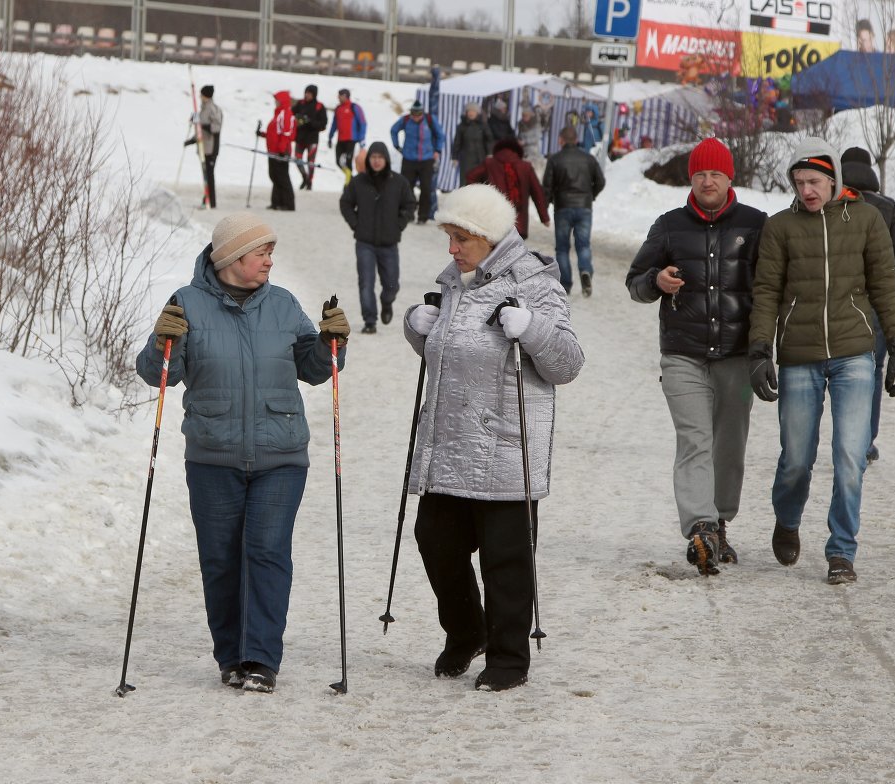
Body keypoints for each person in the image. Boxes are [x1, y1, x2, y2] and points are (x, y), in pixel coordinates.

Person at [136, 214, 352, 693]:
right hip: (213, 456)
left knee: (266, 551)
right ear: (232, 256)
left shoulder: (283, 304)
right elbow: (161, 374)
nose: (269, 261)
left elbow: (317, 370)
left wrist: (331, 343)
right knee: (220, 558)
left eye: (271, 253)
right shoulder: (186, 303)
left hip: (282, 456)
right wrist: (162, 342)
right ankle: (231, 656)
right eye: (262, 252)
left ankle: (260, 659)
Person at [403, 183, 584, 692]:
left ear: (488, 237)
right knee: (435, 539)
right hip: (449, 442)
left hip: (506, 448)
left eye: (461, 238)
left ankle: (508, 657)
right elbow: (449, 351)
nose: (452, 248)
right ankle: (467, 632)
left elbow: (567, 363)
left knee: (506, 559)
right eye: (449, 237)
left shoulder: (535, 283)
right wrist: (417, 329)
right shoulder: (454, 281)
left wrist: (532, 329)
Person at [748, 138, 895, 586]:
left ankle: (842, 550)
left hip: (854, 352)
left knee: (850, 455)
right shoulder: (781, 227)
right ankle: (787, 518)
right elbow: (765, 292)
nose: (807, 191)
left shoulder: (866, 220)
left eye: (815, 181)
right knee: (797, 458)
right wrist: (761, 348)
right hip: (799, 355)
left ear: (834, 179)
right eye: (799, 182)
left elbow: (885, 284)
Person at [625, 137, 767, 575]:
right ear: (691, 178)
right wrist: (656, 281)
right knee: (694, 440)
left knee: (729, 444)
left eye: (716, 174)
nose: (708, 181)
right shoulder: (668, 225)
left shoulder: (756, 224)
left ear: (730, 178)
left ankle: (720, 519)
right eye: (701, 174)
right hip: (683, 354)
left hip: (736, 356)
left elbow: (771, 289)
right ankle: (700, 525)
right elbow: (635, 281)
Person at [840, 146, 895, 464]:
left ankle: (843, 437)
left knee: (837, 371)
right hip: (878, 305)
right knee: (871, 371)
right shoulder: (889, 207)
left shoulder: (831, 203)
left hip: (838, 302)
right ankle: (863, 442)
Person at [339, 141, 416, 334]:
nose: (376, 161)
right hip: (364, 243)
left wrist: (399, 224)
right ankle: (370, 320)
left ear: (386, 160)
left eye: (380, 157)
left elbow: (410, 204)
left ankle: (386, 302)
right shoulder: (358, 182)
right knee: (366, 282)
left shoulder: (399, 182)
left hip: (389, 244)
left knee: (392, 285)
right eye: (373, 157)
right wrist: (355, 224)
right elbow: (345, 203)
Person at [543, 125, 605, 297]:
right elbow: (600, 181)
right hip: (584, 207)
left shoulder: (555, 160)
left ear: (561, 140)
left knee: (562, 248)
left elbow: (546, 186)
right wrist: (590, 196)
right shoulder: (589, 159)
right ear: (576, 139)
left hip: (562, 207)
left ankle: (566, 284)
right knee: (583, 245)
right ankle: (585, 270)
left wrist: (546, 205)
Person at [465, 138, 549, 240]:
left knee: (495, 253)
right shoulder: (525, 166)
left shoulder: (489, 163)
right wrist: (544, 217)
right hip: (519, 224)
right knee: (515, 253)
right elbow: (537, 193)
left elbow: (470, 176)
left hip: (494, 222)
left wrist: (479, 197)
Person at [390, 100, 444, 225]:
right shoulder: (405, 120)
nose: (415, 117)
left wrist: (437, 150)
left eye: (418, 114)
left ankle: (423, 216)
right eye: (413, 114)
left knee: (426, 188)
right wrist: (397, 146)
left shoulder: (430, 120)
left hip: (426, 160)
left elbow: (440, 135)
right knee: (407, 188)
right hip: (409, 159)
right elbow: (393, 130)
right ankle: (409, 212)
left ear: (422, 113)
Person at [183, 84, 223, 209]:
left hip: (211, 148)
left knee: (209, 175)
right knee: (206, 174)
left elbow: (216, 127)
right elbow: (199, 132)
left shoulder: (214, 109)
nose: (200, 97)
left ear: (206, 95)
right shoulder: (202, 110)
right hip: (203, 148)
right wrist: (192, 140)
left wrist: (202, 124)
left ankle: (211, 201)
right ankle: (207, 198)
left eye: (201, 94)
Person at [258, 91, 296, 211]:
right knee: (274, 175)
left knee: (282, 177)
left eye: (277, 100)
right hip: (273, 151)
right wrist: (262, 134)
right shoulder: (278, 114)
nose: (275, 102)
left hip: (281, 151)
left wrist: (281, 149)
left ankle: (288, 203)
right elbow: (274, 133)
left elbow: (286, 133)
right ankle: (276, 202)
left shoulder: (286, 114)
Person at [292, 84, 327, 191]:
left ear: (314, 95)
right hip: (300, 138)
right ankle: (305, 177)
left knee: (310, 162)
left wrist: (310, 122)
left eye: (309, 93)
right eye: (306, 93)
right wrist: (298, 119)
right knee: (297, 160)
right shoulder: (300, 103)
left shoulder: (319, 106)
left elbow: (323, 124)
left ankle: (310, 182)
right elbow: (291, 113)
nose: (307, 95)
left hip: (312, 139)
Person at [328, 88, 367, 182]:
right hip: (340, 139)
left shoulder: (354, 107)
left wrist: (361, 138)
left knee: (348, 161)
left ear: (345, 96)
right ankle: (351, 178)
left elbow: (362, 123)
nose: (338, 98)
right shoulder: (338, 108)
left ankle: (348, 184)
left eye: (340, 96)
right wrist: (330, 136)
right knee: (338, 161)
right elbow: (334, 124)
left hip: (351, 139)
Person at [450, 102, 493, 189]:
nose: (471, 113)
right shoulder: (461, 126)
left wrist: (490, 153)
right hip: (466, 159)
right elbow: (457, 142)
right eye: (469, 111)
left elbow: (489, 140)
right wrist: (454, 157)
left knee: (480, 181)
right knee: (466, 181)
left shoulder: (483, 125)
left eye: (473, 111)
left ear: (477, 113)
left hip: (480, 158)